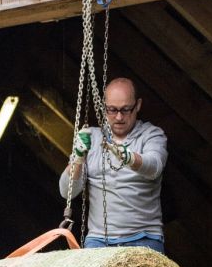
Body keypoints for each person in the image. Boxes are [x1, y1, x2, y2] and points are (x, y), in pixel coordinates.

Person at [59, 77, 168, 253]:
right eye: (112, 110)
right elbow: (67, 191)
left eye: (126, 109)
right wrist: (78, 158)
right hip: (99, 240)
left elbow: (154, 167)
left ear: (138, 105)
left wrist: (128, 157)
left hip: (144, 237)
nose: (119, 117)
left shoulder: (151, 135)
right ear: (104, 107)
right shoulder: (91, 138)